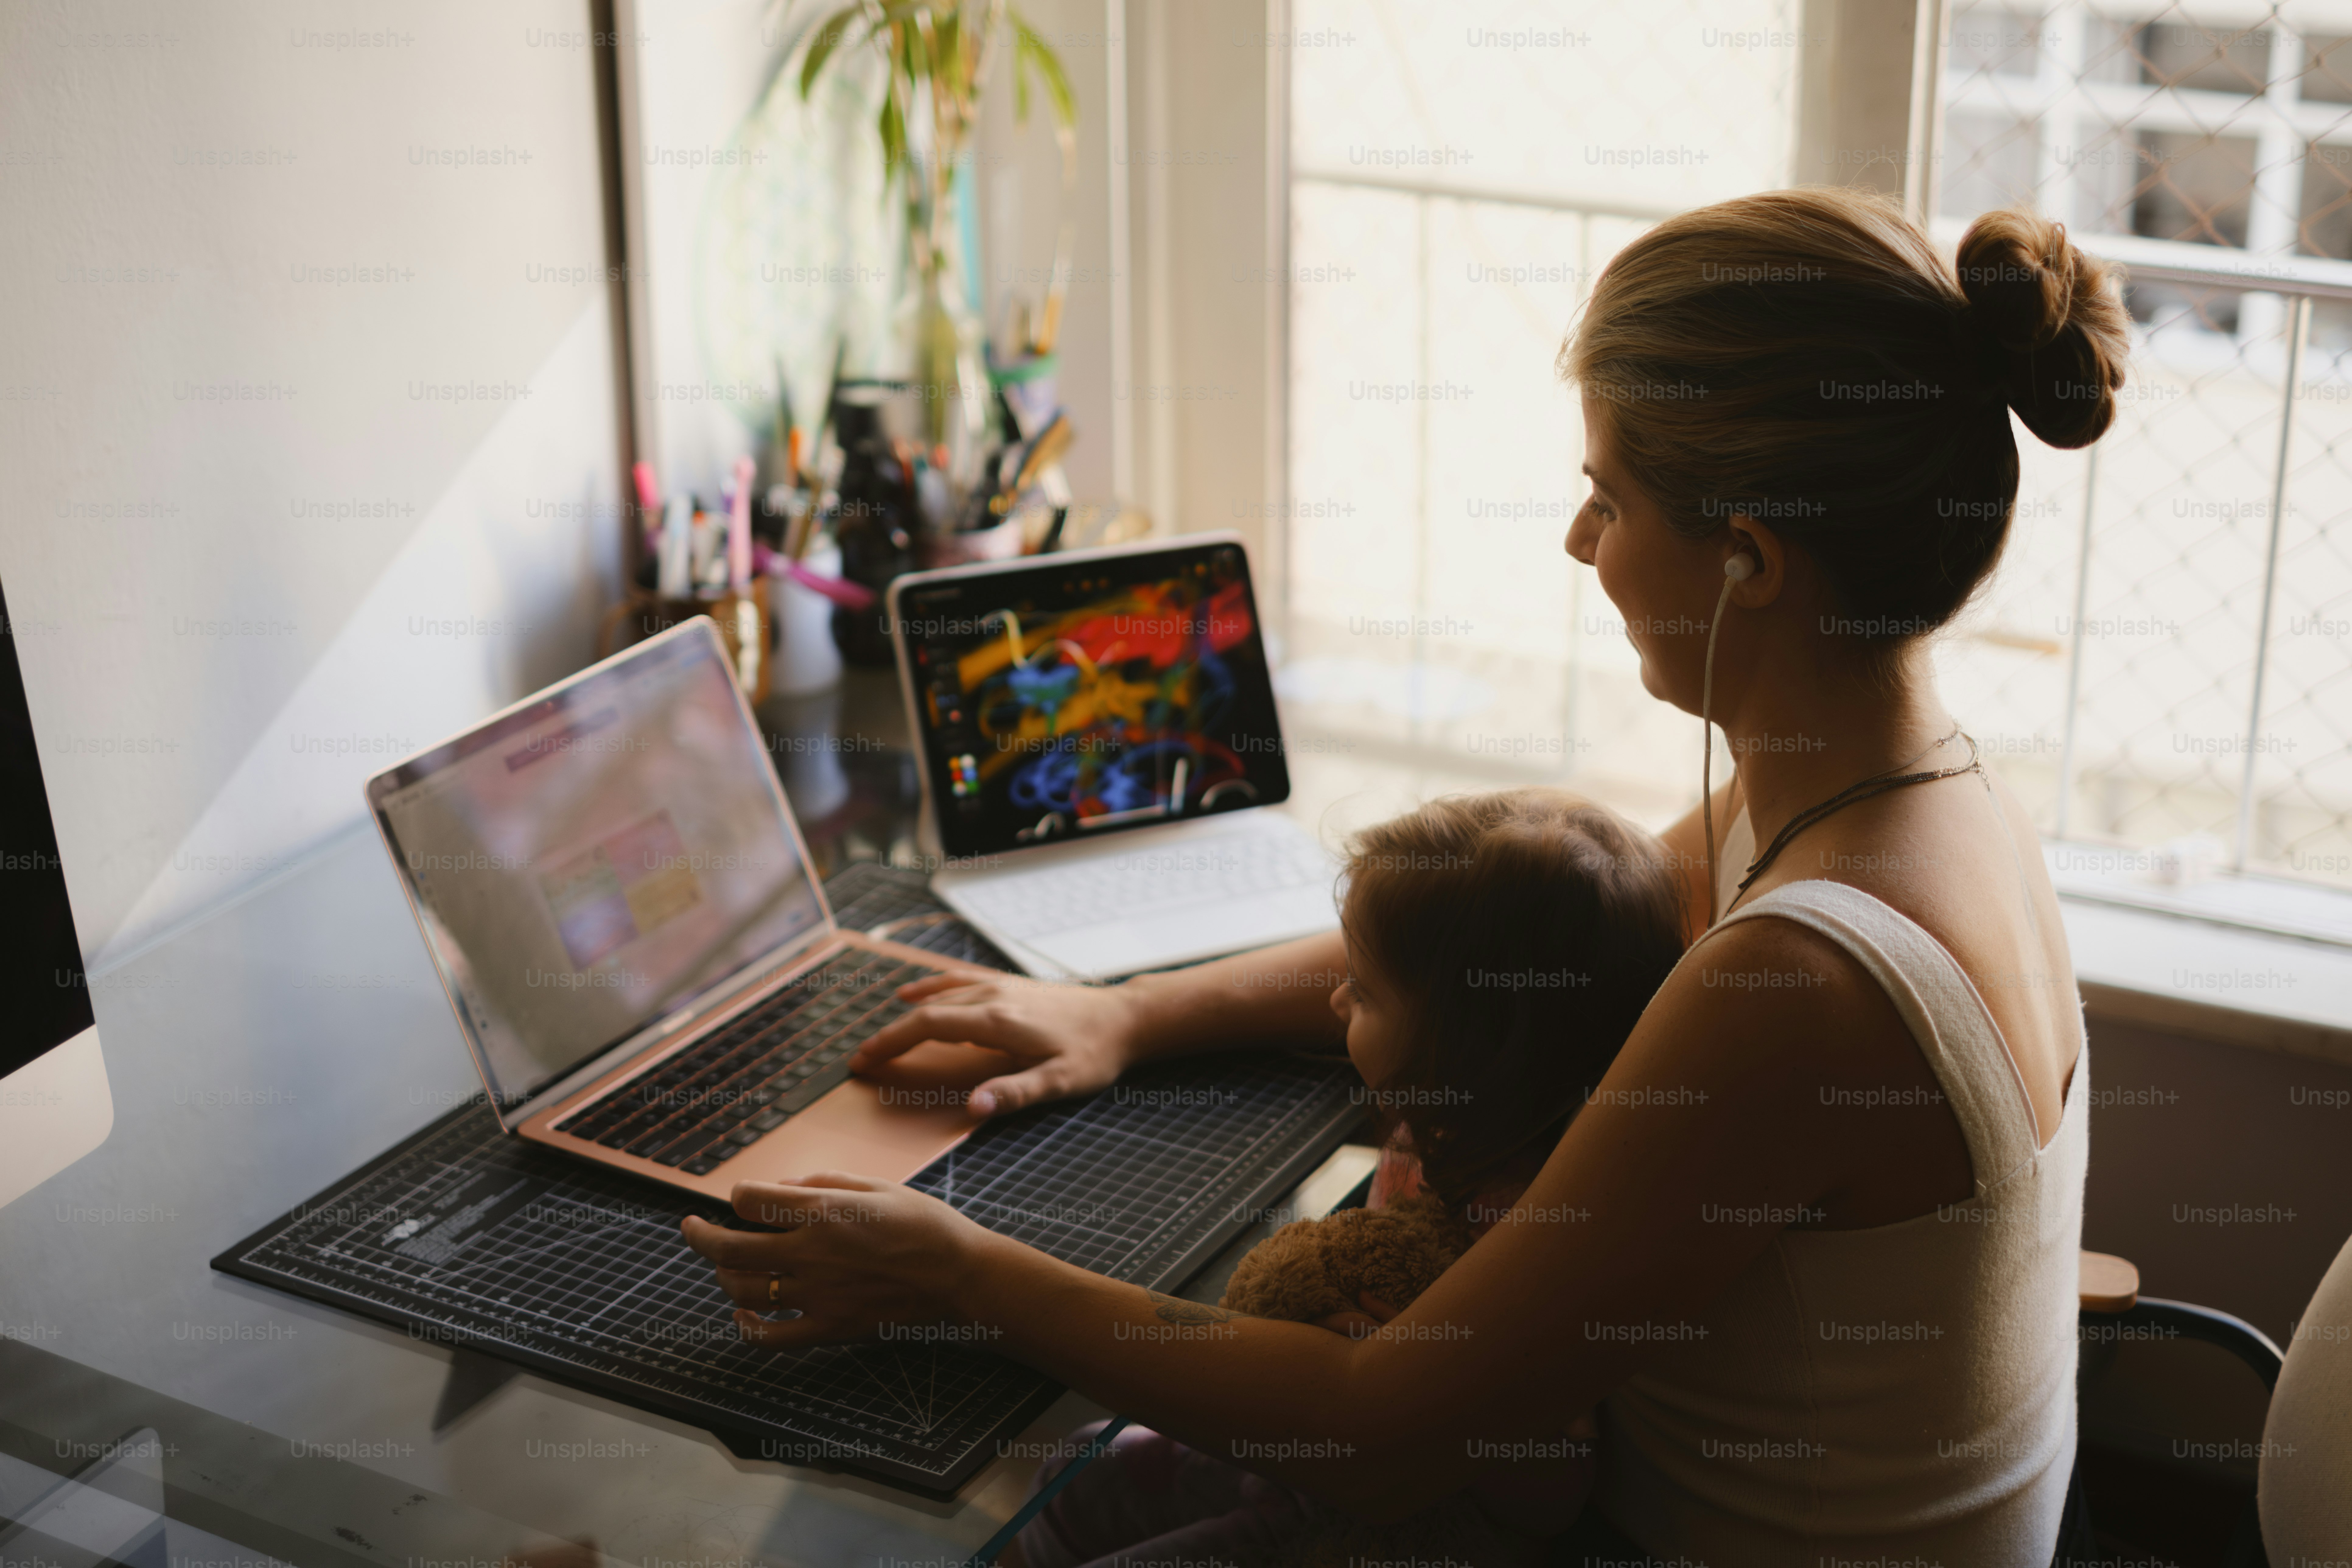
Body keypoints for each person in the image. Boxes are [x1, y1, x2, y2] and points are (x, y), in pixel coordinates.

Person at [684, 185, 2125, 1564]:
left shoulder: (1806, 983)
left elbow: (1381, 1432)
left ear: (1750, 559)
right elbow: (1515, 946)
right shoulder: (1909, 787)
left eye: (1608, 502)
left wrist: (955, 1273)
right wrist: (1127, 1018)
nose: (1581, 544)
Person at [1003, 788, 1687, 1566]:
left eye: (1361, 989)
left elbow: (1552, 1493)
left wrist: (1415, 1383)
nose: (1333, 999)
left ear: (1458, 1045)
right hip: (1306, 1466)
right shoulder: (1442, 1114)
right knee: (1078, 1465)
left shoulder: (1527, 1217)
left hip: (1393, 1525)